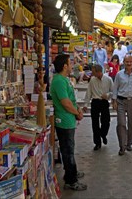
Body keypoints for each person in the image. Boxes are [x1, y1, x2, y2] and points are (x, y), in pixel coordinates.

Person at [50, 54, 87, 191]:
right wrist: (77, 113)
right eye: (70, 63)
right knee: (68, 151)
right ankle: (71, 181)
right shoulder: (59, 81)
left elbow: (70, 100)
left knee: (69, 150)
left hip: (69, 120)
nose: (72, 66)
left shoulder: (63, 79)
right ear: (65, 66)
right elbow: (65, 103)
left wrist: (77, 110)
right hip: (64, 121)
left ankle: (71, 173)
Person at [83, 64, 114, 151]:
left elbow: (113, 91)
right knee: (95, 123)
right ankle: (97, 143)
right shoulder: (92, 80)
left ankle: (103, 134)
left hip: (104, 102)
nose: (92, 74)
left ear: (99, 72)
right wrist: (86, 104)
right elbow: (88, 92)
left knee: (106, 121)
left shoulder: (108, 79)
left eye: (93, 72)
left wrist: (107, 95)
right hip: (95, 102)